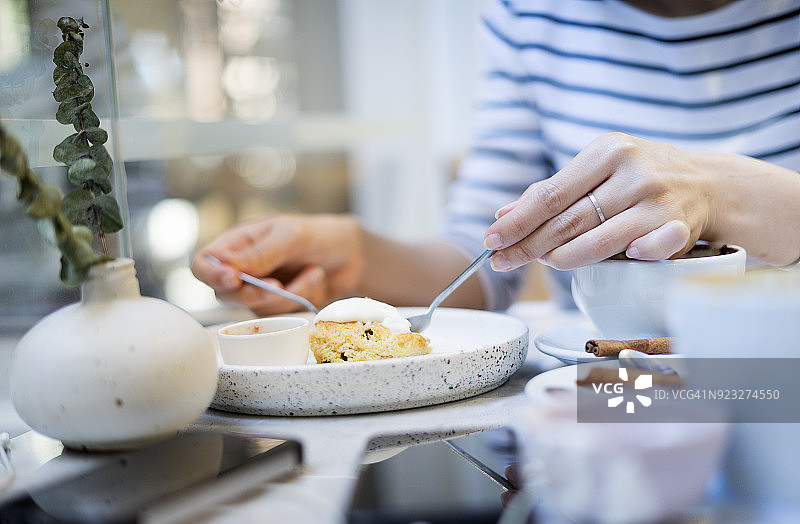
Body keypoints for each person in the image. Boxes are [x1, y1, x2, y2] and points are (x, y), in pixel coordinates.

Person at [192, 0, 800, 316]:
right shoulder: (530, 16)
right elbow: (485, 262)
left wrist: (722, 193)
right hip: (617, 396)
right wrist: (356, 259)